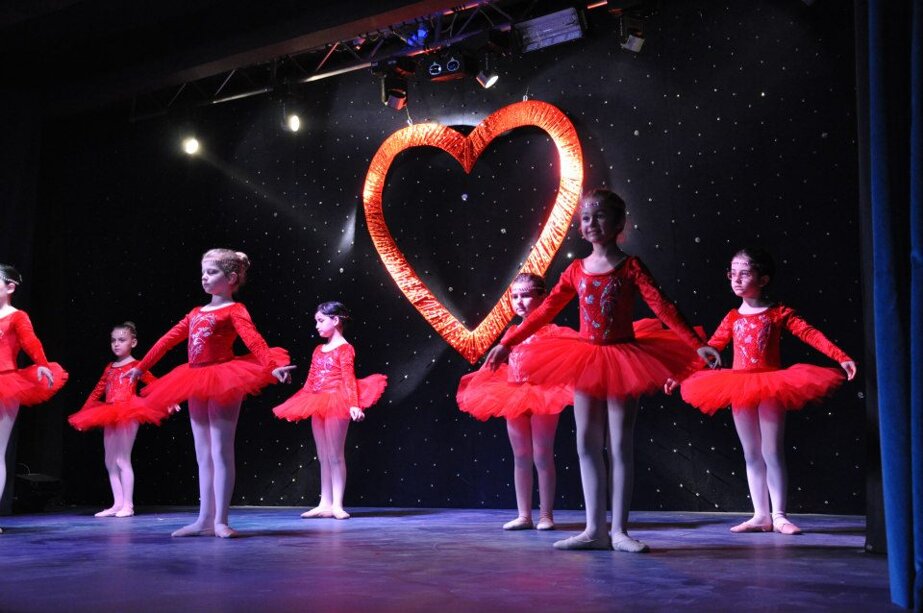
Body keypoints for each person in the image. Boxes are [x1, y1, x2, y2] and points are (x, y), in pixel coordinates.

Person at [485, 189, 720, 552]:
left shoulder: (630, 266)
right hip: (586, 359)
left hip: (623, 358)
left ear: (619, 222)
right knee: (586, 444)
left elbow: (662, 306)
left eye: (600, 215)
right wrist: (508, 341)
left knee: (619, 445)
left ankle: (620, 531)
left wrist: (694, 342)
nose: (592, 222)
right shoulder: (575, 270)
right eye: (586, 217)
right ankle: (594, 529)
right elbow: (545, 311)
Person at [669, 248, 856, 535]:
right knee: (751, 453)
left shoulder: (778, 313)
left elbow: (809, 333)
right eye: (733, 273)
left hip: (771, 385)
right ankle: (760, 515)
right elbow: (710, 348)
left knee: (772, 450)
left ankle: (779, 515)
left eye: (745, 273)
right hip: (738, 386)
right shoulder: (733, 317)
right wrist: (680, 375)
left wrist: (839, 356)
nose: (736, 279)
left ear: (763, 279)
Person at [127, 249, 291, 538]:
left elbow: (253, 339)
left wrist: (272, 365)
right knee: (202, 453)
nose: (204, 277)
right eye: (203, 271)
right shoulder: (195, 313)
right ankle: (204, 519)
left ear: (231, 278)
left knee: (220, 450)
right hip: (194, 378)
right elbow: (167, 340)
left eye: (212, 272)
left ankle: (221, 521)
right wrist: (141, 367)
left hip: (224, 377)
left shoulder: (235, 310)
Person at [457, 273, 575, 531]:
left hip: (544, 394)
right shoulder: (512, 332)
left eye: (526, 296)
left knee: (542, 454)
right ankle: (524, 515)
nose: (519, 302)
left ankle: (546, 515)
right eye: (514, 296)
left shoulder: (552, 332)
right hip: (513, 394)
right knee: (521, 455)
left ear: (543, 297)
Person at [273, 301, 386, 520]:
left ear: (335, 320)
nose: (316, 325)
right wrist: (302, 399)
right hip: (317, 400)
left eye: (320, 320)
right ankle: (324, 503)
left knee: (335, 455)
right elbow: (311, 379)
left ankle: (337, 504)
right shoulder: (318, 350)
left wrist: (354, 404)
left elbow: (348, 378)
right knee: (323, 455)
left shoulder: (345, 348)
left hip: (337, 400)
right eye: (316, 321)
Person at [68, 322, 171, 518]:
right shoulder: (109, 367)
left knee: (122, 459)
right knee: (109, 460)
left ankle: (128, 505)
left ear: (133, 342)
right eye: (113, 340)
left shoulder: (137, 366)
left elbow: (154, 384)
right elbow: (97, 391)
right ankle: (117, 503)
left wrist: (169, 401)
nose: (116, 344)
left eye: (121, 340)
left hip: (128, 411)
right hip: (109, 412)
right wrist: (83, 414)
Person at [0, 264, 68, 533]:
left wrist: (42, 364)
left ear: (10, 287)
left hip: (6, 381)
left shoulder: (17, 316)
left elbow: (30, 341)